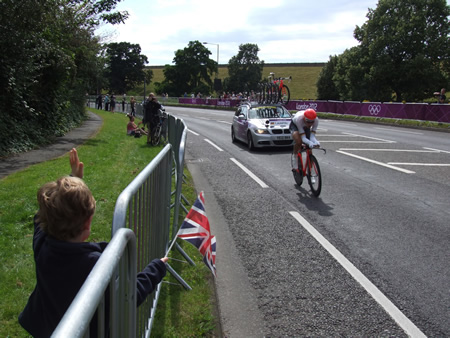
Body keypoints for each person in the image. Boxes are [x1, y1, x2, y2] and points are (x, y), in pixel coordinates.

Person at [18, 148, 168, 337]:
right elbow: (128, 297)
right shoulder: (96, 265)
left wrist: (74, 179)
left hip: (48, 330)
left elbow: (40, 218)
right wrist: (155, 269)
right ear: (88, 222)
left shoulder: (43, 244)